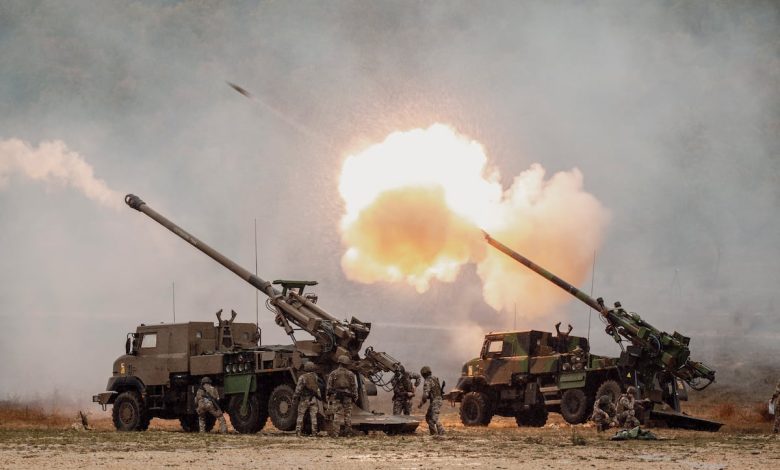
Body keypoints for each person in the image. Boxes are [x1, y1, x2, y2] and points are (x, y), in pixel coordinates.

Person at [326, 355, 357, 436]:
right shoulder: (350, 374)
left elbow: (329, 386)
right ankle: (348, 433)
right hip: (348, 396)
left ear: (339, 362)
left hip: (337, 396)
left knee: (336, 415)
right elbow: (354, 386)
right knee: (348, 415)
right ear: (346, 363)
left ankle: (336, 433)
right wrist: (355, 397)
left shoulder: (333, 373)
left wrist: (328, 397)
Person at [294, 362, 322, 437]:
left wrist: (295, 397)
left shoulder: (302, 377)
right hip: (313, 399)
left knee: (300, 416)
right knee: (313, 417)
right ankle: (314, 432)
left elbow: (298, 389)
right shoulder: (315, 376)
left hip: (304, 399)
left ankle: (298, 432)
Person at [418, 366, 444, 436]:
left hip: (435, 401)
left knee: (434, 419)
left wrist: (421, 403)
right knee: (428, 417)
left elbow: (425, 395)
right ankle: (433, 433)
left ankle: (441, 432)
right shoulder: (435, 378)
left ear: (423, 374)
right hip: (437, 400)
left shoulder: (427, 381)